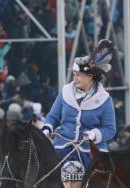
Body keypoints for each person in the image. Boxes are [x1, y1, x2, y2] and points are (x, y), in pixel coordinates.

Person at [42, 39, 116, 168]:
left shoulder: (105, 100)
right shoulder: (65, 92)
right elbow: (53, 117)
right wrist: (47, 128)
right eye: (74, 74)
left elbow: (110, 129)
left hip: (91, 152)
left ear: (90, 77)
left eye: (79, 75)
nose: (74, 78)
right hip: (61, 148)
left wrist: (95, 134)